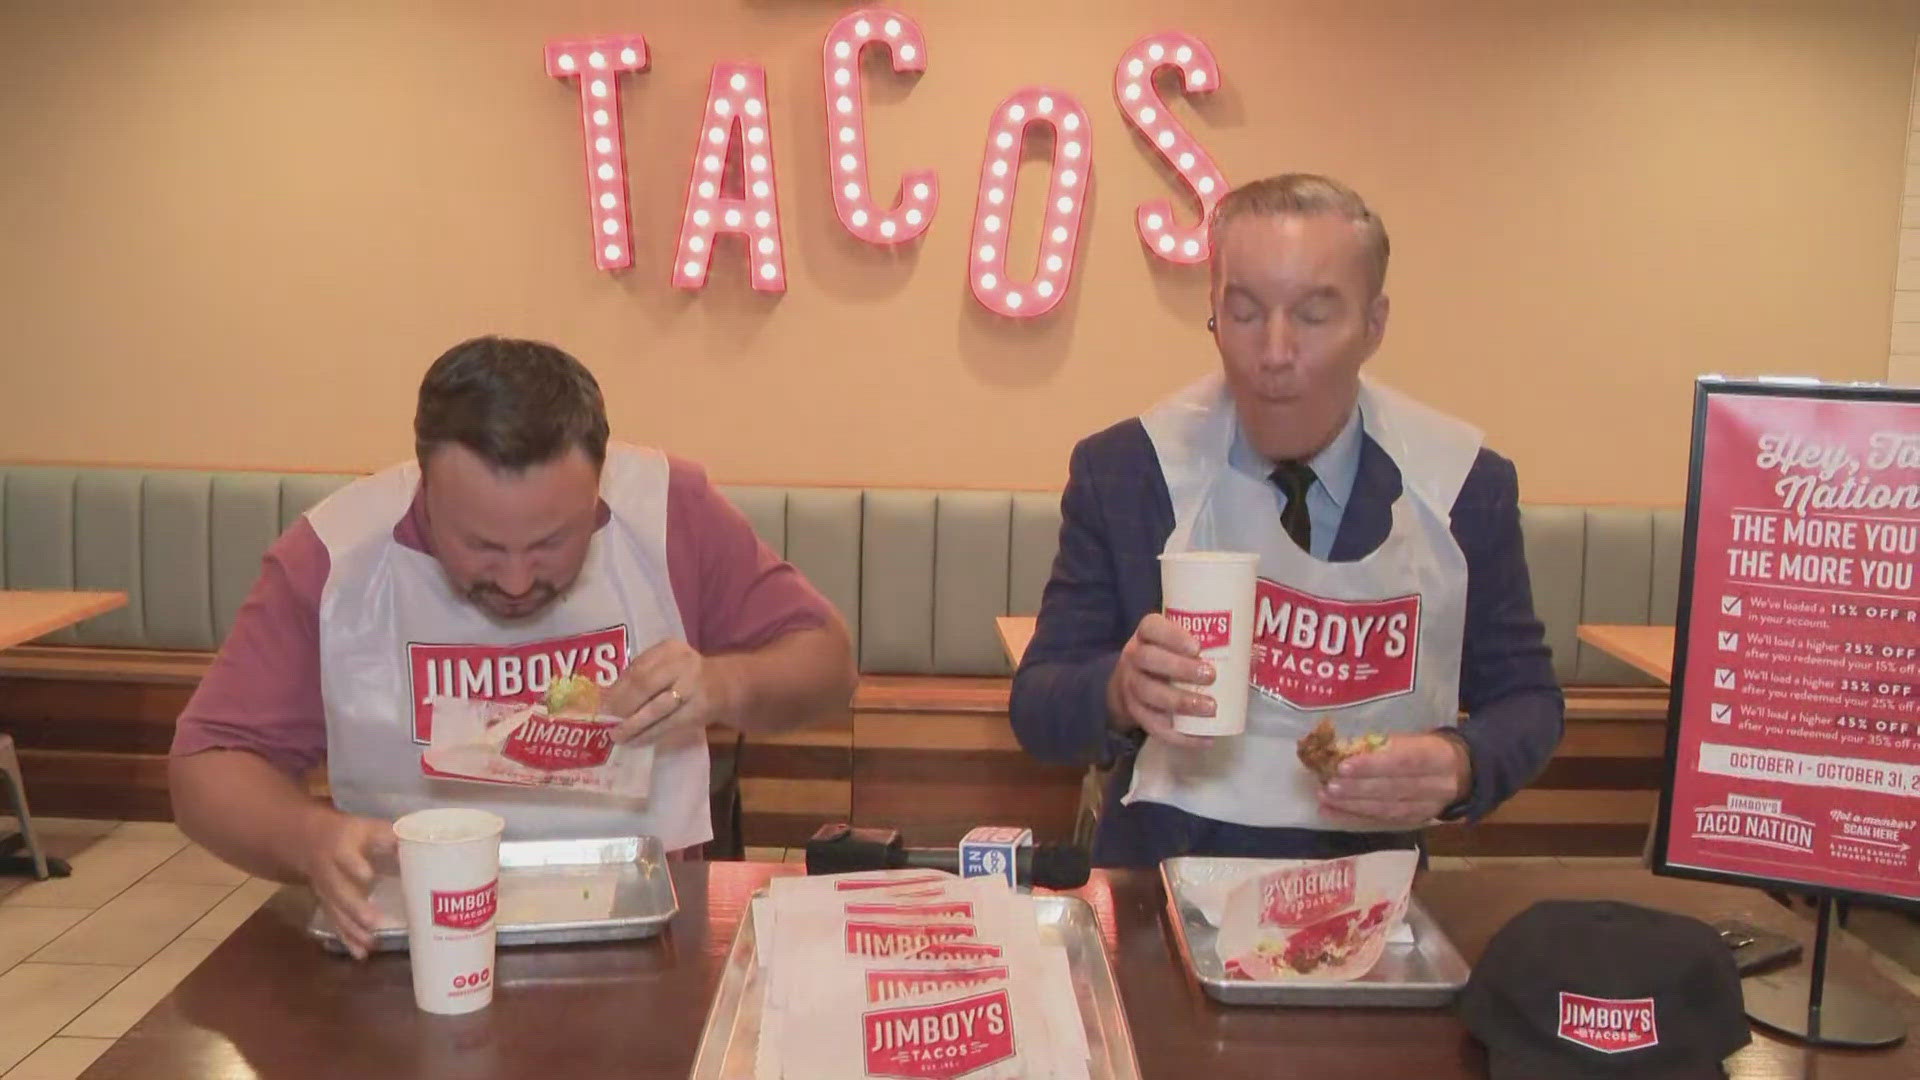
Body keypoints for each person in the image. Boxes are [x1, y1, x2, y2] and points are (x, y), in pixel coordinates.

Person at [170, 336, 856, 955]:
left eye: (554, 541)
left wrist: (725, 685)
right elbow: (205, 766)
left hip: (649, 930)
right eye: (481, 546)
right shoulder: (334, 558)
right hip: (411, 938)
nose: (519, 581)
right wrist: (307, 838)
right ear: (425, 489)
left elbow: (827, 663)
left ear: (599, 483)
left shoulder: (672, 512)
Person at [1010, 174, 1563, 868]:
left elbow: (1528, 700)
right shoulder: (1127, 472)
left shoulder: (1463, 486)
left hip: (1374, 882)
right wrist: (1118, 691)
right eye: (1244, 313)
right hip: (1163, 878)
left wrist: (1462, 762)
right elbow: (1038, 705)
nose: (1273, 354)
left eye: (1312, 314)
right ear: (1212, 313)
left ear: (1373, 324)